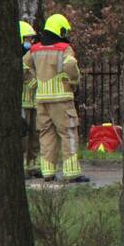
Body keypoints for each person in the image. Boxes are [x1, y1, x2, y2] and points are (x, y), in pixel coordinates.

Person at [23, 13, 88, 183]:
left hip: (42, 100)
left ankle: (48, 172)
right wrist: (72, 81)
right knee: (68, 133)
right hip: (62, 100)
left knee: (46, 135)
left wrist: (33, 83)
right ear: (60, 29)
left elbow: (23, 65)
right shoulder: (63, 48)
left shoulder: (35, 49)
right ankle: (72, 173)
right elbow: (71, 64)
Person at [19, 21, 40, 178]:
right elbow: (29, 79)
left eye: (32, 39)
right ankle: (22, 167)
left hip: (33, 102)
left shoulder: (31, 56)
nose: (30, 42)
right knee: (24, 136)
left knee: (35, 135)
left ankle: (33, 166)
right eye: (28, 39)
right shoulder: (18, 58)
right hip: (23, 103)